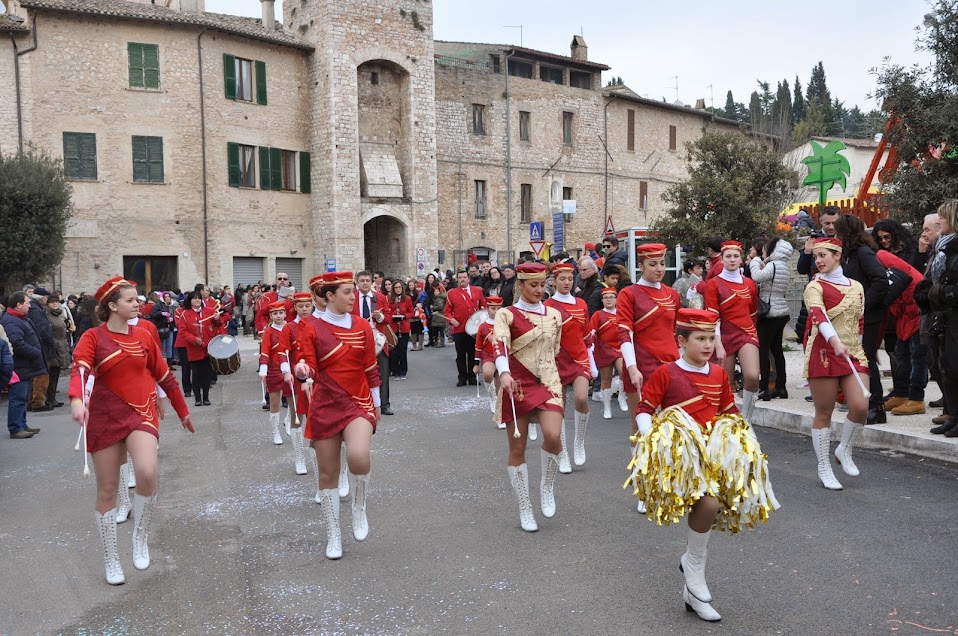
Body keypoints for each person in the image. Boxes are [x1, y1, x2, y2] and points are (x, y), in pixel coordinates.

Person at [628, 308, 779, 622]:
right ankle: (694, 573)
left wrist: (743, 441)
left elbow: (728, 412)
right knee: (708, 505)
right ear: (681, 340)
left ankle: (691, 590)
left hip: (713, 455)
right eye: (700, 338)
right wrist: (657, 439)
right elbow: (645, 409)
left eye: (712, 338)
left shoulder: (719, 374)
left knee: (711, 508)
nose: (708, 345)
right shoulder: (667, 372)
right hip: (683, 460)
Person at [69, 276, 193, 585]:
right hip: (104, 415)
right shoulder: (93, 337)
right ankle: (112, 558)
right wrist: (75, 401)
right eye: (130, 300)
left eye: (137, 299)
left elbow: (164, 375)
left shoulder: (145, 336)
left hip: (141, 412)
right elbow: (80, 369)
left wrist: (182, 411)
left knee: (147, 473)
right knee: (108, 488)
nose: (137, 303)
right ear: (112, 306)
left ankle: (140, 537)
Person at [294, 271, 381, 560]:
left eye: (354, 291)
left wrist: (377, 402)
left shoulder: (362, 326)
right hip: (325, 404)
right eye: (347, 292)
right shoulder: (310, 326)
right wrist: (303, 371)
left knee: (359, 457)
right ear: (330, 296)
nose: (354, 296)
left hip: (358, 401)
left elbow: (370, 367)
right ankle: (333, 535)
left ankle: (359, 507)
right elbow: (306, 361)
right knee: (328, 473)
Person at [494, 263, 565, 533]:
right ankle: (525, 506)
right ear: (520, 285)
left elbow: (555, 348)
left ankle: (546, 485)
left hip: (548, 381)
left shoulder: (555, 315)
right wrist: (504, 374)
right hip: (517, 382)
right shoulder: (506, 314)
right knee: (517, 446)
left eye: (542, 285)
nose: (539, 290)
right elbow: (500, 345)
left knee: (553, 435)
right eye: (533, 285)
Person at [802, 237, 869, 489]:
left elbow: (859, 321)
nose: (818, 261)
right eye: (816, 257)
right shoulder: (814, 286)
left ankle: (845, 449)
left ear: (837, 255)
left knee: (860, 406)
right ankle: (824, 466)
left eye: (823, 256)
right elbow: (817, 316)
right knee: (824, 411)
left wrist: (857, 345)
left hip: (853, 351)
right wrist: (834, 341)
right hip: (824, 352)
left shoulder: (857, 287)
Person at [617, 244, 682, 460]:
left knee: (673, 421)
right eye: (652, 264)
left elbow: (677, 334)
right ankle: (640, 473)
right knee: (640, 425)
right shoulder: (629, 294)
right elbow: (625, 333)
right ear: (641, 266)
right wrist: (632, 368)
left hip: (671, 365)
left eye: (662, 263)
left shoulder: (672, 294)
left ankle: (669, 472)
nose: (659, 269)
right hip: (642, 365)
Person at [835, 214, 889, 423]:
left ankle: (877, 406)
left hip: (868, 316)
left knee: (866, 360)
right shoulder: (851, 254)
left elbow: (880, 281)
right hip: (857, 316)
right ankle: (866, 403)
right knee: (861, 359)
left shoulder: (863, 253)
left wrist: (863, 305)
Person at [545, 262, 596, 469]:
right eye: (562, 279)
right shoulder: (547, 306)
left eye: (569, 279)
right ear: (554, 281)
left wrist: (591, 363)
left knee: (581, 398)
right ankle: (562, 452)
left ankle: (579, 441)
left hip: (579, 359)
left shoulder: (581, 304)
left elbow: (586, 336)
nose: (566, 282)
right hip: (556, 361)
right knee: (559, 410)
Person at [704, 241, 760, 421]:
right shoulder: (713, 284)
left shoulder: (750, 284)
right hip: (723, 335)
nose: (732, 259)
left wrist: (752, 333)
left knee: (752, 376)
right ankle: (726, 421)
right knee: (724, 383)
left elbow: (752, 313)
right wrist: (717, 343)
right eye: (728, 256)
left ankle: (747, 419)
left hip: (746, 333)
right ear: (721, 259)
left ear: (741, 259)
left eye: (736, 256)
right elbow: (712, 316)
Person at [916, 200, 958, 437]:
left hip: (953, 312)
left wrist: (943, 292)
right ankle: (953, 416)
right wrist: (926, 291)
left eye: (943, 217)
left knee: (954, 365)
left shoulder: (952, 249)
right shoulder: (943, 248)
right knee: (947, 367)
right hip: (944, 314)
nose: (940, 222)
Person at [748, 236, 794, 400]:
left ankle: (764, 388)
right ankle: (781, 387)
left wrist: (754, 262)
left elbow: (757, 277)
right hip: (781, 310)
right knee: (777, 350)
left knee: (763, 350)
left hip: (770, 311)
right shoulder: (784, 266)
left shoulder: (773, 264)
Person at [277, 291, 316, 476]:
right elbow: (283, 352)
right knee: (297, 416)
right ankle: (299, 458)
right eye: (300, 306)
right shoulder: (289, 328)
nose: (305, 309)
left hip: (315, 377)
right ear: (295, 308)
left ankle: (316, 456)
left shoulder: (318, 324)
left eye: (307, 305)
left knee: (316, 418)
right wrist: (286, 371)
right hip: (294, 377)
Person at [1, 292, 45, 438]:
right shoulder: (11, 321)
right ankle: (15, 428)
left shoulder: (19, 318)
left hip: (25, 366)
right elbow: (17, 343)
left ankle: (22, 424)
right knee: (18, 398)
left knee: (23, 397)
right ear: (18, 305)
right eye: (27, 302)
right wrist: (35, 352)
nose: (29, 305)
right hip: (19, 366)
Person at [353, 271, 394, 415]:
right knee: (357, 372)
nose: (365, 283)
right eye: (362, 280)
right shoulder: (351, 297)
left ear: (372, 283)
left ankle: (384, 404)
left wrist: (381, 316)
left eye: (367, 281)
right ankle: (360, 403)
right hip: (356, 339)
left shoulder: (380, 298)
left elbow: (389, 317)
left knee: (382, 372)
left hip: (378, 340)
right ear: (357, 282)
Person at [259, 300, 294, 445]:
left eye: (281, 313)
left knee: (293, 399)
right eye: (275, 314)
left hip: (290, 368)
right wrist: (263, 369)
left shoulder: (290, 328)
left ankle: (287, 419)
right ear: (271, 316)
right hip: (274, 369)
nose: (278, 316)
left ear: (285, 314)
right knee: (275, 401)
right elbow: (265, 351)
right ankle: (275, 431)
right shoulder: (268, 332)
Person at [445, 269, 487, 387]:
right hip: (460, 328)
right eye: (460, 278)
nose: (462, 279)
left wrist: (483, 313)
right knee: (461, 354)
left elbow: (483, 305)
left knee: (473, 354)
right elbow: (447, 311)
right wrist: (451, 319)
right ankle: (462, 377)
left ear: (468, 279)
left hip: (475, 329)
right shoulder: (451, 293)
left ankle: (472, 376)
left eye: (464, 277)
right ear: (457, 280)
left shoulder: (477, 291)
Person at [179, 291, 220, 407]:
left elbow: (217, 325)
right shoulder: (185, 314)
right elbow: (183, 332)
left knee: (206, 373)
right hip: (194, 348)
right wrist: (193, 339)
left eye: (199, 298)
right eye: (194, 298)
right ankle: (198, 398)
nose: (197, 300)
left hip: (207, 346)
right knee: (196, 373)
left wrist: (217, 319)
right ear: (190, 300)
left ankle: (206, 397)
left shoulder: (209, 311)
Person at [590, 286, 625, 419]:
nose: (609, 300)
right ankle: (607, 406)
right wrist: (591, 344)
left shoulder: (621, 313)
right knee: (606, 379)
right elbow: (592, 331)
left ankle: (622, 395)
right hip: (604, 348)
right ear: (602, 300)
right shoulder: (598, 315)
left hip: (620, 347)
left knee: (623, 371)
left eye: (611, 297)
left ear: (616, 299)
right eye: (606, 297)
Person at [473, 296, 504, 428]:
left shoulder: (505, 325)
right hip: (488, 356)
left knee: (500, 389)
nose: (495, 311)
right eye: (493, 308)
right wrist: (476, 363)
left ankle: (500, 418)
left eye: (498, 308)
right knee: (487, 374)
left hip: (502, 356)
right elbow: (478, 345)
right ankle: (491, 397)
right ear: (487, 309)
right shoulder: (483, 326)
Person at [43, 294, 71, 408]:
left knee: (56, 373)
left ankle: (52, 398)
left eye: (56, 301)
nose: (55, 304)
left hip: (61, 346)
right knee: (52, 373)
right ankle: (49, 399)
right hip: (54, 347)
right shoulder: (47, 315)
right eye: (52, 302)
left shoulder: (59, 314)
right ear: (48, 303)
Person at [388, 281, 413, 379]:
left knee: (402, 350)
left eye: (399, 287)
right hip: (393, 327)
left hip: (403, 327)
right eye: (396, 287)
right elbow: (387, 312)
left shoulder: (407, 299)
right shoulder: (389, 299)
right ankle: (395, 370)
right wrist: (394, 313)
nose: (398, 289)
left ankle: (403, 370)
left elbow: (411, 312)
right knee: (394, 350)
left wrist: (404, 315)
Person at [150, 292, 176, 367]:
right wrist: (161, 313)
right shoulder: (158, 305)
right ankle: (161, 364)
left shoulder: (173, 306)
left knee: (169, 346)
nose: (167, 298)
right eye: (166, 297)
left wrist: (172, 320)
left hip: (170, 327)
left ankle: (169, 364)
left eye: (169, 297)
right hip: (162, 328)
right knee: (162, 346)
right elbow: (153, 315)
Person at [407, 279, 425, 351]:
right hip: (411, 313)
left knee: (420, 329)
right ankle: (414, 345)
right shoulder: (406, 294)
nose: (411, 287)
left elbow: (422, 301)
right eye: (410, 285)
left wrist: (420, 305)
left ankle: (420, 345)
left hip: (418, 313)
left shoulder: (418, 293)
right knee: (413, 329)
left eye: (412, 285)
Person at [428, 281, 447, 347]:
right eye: (435, 291)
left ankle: (441, 342)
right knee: (437, 330)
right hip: (437, 317)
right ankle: (437, 341)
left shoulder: (439, 299)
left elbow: (440, 306)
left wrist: (433, 307)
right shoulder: (437, 298)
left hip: (439, 316)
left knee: (440, 330)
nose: (435, 293)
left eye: (437, 291)